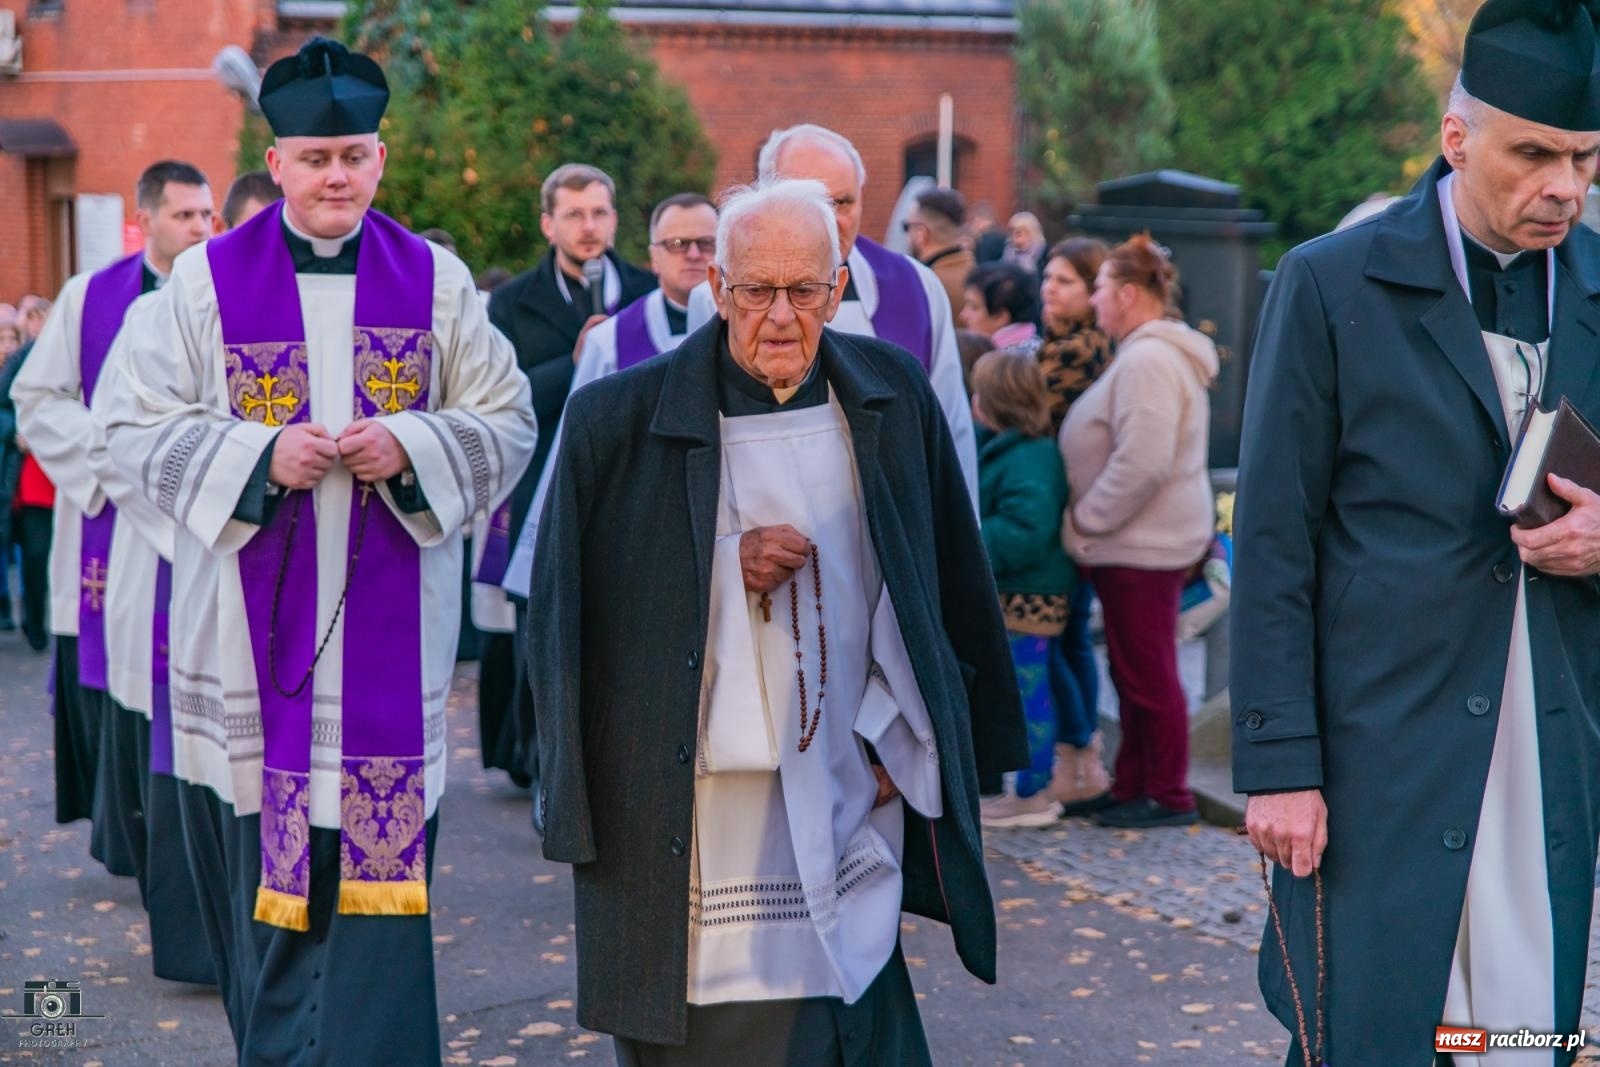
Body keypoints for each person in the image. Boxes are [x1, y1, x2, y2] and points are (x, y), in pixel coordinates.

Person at [95, 37, 535, 1062]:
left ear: (380, 159)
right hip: (249, 655)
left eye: (354, 154)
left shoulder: (437, 283)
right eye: (315, 157)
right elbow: (126, 431)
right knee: (269, 890)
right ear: (278, 161)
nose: (336, 174)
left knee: (380, 903)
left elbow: (508, 416)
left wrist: (414, 442)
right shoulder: (203, 286)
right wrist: (258, 455)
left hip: (390, 644)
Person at [530, 177, 1026, 1063]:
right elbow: (571, 621)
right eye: (757, 290)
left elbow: (941, 584)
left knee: (853, 1010)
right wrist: (726, 568)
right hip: (698, 817)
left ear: (839, 290)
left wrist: (902, 740)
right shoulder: (617, 418)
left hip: (846, 783)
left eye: (805, 290)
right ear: (714, 289)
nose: (783, 316)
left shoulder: (890, 396)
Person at [1232, 2, 1600, 1062]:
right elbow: (1271, 540)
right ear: (1455, 140)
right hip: (1377, 753)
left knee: (1517, 1037)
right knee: (1373, 1027)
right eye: (1533, 154)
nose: (1563, 187)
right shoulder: (1330, 282)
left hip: (1550, 746)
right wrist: (1277, 761)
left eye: (1581, 158)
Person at [14, 161, 215, 882]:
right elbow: (36, 399)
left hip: (195, 512)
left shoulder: (226, 293)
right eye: (185, 216)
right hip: (117, 524)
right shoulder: (90, 296)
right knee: (128, 679)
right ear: (148, 219)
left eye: (206, 216)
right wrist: (111, 454)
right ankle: (135, 837)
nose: (199, 229)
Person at [688, 123, 979, 504]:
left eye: (842, 202)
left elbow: (950, 427)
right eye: (807, 198)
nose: (828, 218)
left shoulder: (918, 288)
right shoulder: (719, 296)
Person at [1060, 234, 1217, 830]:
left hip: (1141, 544)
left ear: (1126, 294)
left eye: (1099, 287)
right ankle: (1133, 783)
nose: (1095, 301)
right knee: (1133, 671)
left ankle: (1168, 794)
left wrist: (1085, 522)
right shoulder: (1143, 354)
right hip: (1136, 542)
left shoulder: (1150, 359)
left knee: (1148, 673)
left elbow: (1142, 461)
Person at [499, 192, 719, 604]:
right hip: (637, 537)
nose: (692, 254)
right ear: (653, 257)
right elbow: (574, 449)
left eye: (706, 244)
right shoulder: (610, 341)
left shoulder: (749, 336)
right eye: (676, 244)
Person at [968, 349, 1077, 828]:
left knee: (1029, 692)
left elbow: (1027, 529)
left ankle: (1033, 793)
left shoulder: (1030, 456)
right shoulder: (1007, 445)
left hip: (1027, 597)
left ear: (997, 402)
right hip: (1015, 594)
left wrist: (967, 535)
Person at [1034, 237, 1115, 813]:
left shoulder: (1074, 354)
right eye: (1046, 278)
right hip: (1069, 514)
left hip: (1064, 513)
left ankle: (1076, 760)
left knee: (1062, 641)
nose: (1048, 289)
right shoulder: (1066, 344)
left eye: (1063, 281)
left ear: (1092, 291)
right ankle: (1085, 759)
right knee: (1073, 639)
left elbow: (1031, 415)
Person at [904, 186, 974, 315]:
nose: (906, 234)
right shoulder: (976, 276)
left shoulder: (921, 286)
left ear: (921, 233)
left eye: (906, 226)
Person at [958, 262, 1041, 353]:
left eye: (974, 307)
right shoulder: (1038, 349)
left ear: (1001, 317)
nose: (963, 315)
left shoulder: (1004, 364)